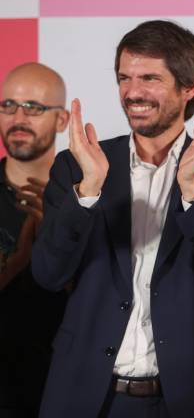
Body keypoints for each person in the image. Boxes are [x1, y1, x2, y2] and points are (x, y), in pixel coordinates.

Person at [31, 20, 194, 418]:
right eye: (124, 78)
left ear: (189, 87)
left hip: (191, 396)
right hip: (89, 397)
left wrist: (192, 191)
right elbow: (49, 274)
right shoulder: (78, 166)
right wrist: (88, 192)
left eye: (150, 78)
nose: (132, 92)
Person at [0, 63, 69, 417]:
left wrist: (59, 239)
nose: (18, 118)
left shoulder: (88, 196)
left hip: (69, 388)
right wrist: (20, 259)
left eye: (34, 108)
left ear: (62, 121)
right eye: (8, 105)